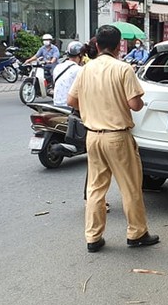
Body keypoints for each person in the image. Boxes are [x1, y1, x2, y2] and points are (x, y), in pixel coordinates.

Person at [67, 25, 159, 253]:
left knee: (96, 188)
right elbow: (135, 104)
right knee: (130, 187)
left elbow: (71, 101)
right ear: (119, 47)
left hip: (93, 136)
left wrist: (92, 107)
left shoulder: (86, 70)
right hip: (117, 137)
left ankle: (93, 237)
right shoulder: (123, 69)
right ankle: (136, 232)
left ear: (97, 45)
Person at [52, 41, 85, 107]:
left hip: (56, 105)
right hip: (69, 108)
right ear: (80, 55)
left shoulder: (58, 67)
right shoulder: (79, 70)